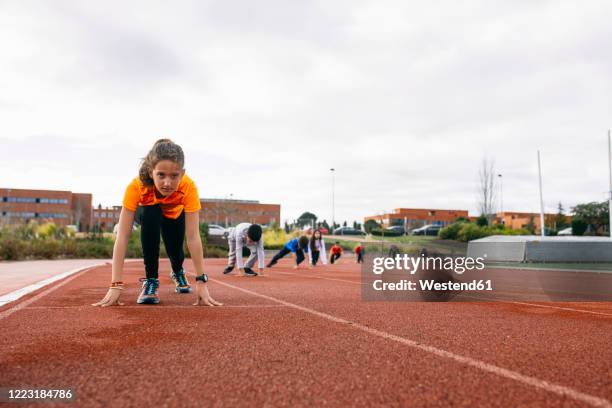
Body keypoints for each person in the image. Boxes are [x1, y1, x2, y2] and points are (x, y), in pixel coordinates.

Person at [92, 139, 222, 307]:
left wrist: (201, 281)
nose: (167, 183)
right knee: (150, 211)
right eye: (161, 175)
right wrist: (115, 284)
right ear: (151, 171)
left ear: (182, 174)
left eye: (174, 176)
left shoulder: (188, 187)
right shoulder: (136, 186)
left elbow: (193, 237)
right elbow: (123, 236)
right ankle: (151, 280)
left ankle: (177, 271)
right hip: (147, 213)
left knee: (175, 250)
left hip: (173, 215)